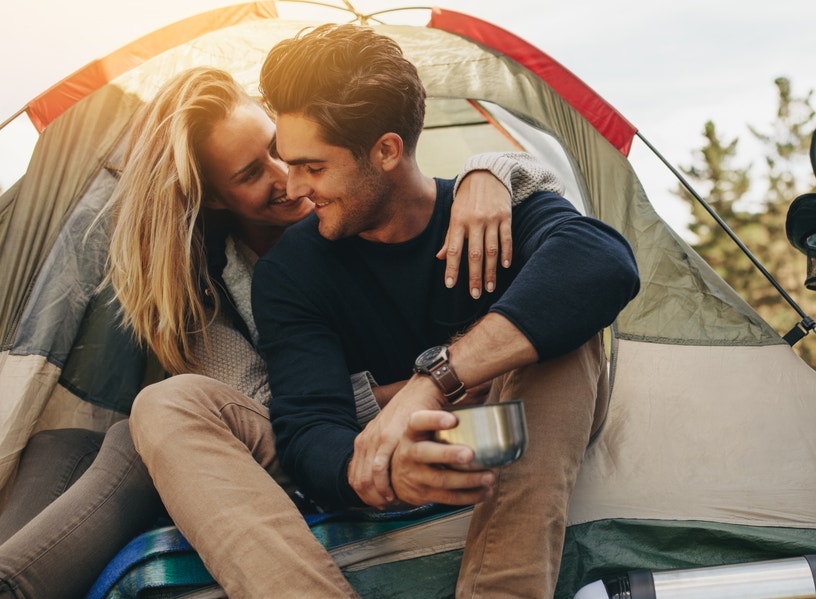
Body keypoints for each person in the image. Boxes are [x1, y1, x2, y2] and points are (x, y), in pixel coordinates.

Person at [0, 65, 558, 598]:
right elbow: (284, 414)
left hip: (411, 426)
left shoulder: (359, 203)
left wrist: (489, 170)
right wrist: (432, 380)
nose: (287, 179)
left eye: (278, 147)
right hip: (313, 440)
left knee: (134, 435)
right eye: (250, 173)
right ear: (216, 196)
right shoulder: (209, 287)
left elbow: (556, 239)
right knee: (65, 443)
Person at [245, 23, 640, 598]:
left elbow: (605, 264)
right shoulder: (291, 270)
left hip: (529, 425)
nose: (295, 187)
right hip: (409, 451)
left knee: (569, 329)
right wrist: (379, 471)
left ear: (385, 151)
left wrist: (431, 383)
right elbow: (308, 427)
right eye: (289, 162)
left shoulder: (484, 211)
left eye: (313, 166)